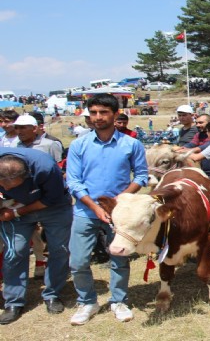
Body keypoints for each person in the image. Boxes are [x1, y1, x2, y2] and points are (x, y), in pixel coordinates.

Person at [66, 93, 149, 325]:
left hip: (119, 213)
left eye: (103, 112)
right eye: (93, 113)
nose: (97, 117)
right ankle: (87, 302)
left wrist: (120, 199)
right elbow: (73, 181)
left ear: (115, 115)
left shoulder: (132, 144)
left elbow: (141, 175)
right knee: (79, 261)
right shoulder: (79, 145)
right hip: (85, 212)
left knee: (119, 258)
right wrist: (95, 206)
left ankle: (119, 300)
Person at [0, 148, 73, 324]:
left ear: (26, 176)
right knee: (14, 252)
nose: (5, 188)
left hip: (54, 207)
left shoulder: (45, 167)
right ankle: (14, 302)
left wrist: (16, 212)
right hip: (13, 207)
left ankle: (52, 294)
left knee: (59, 250)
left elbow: (51, 199)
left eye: (11, 186)